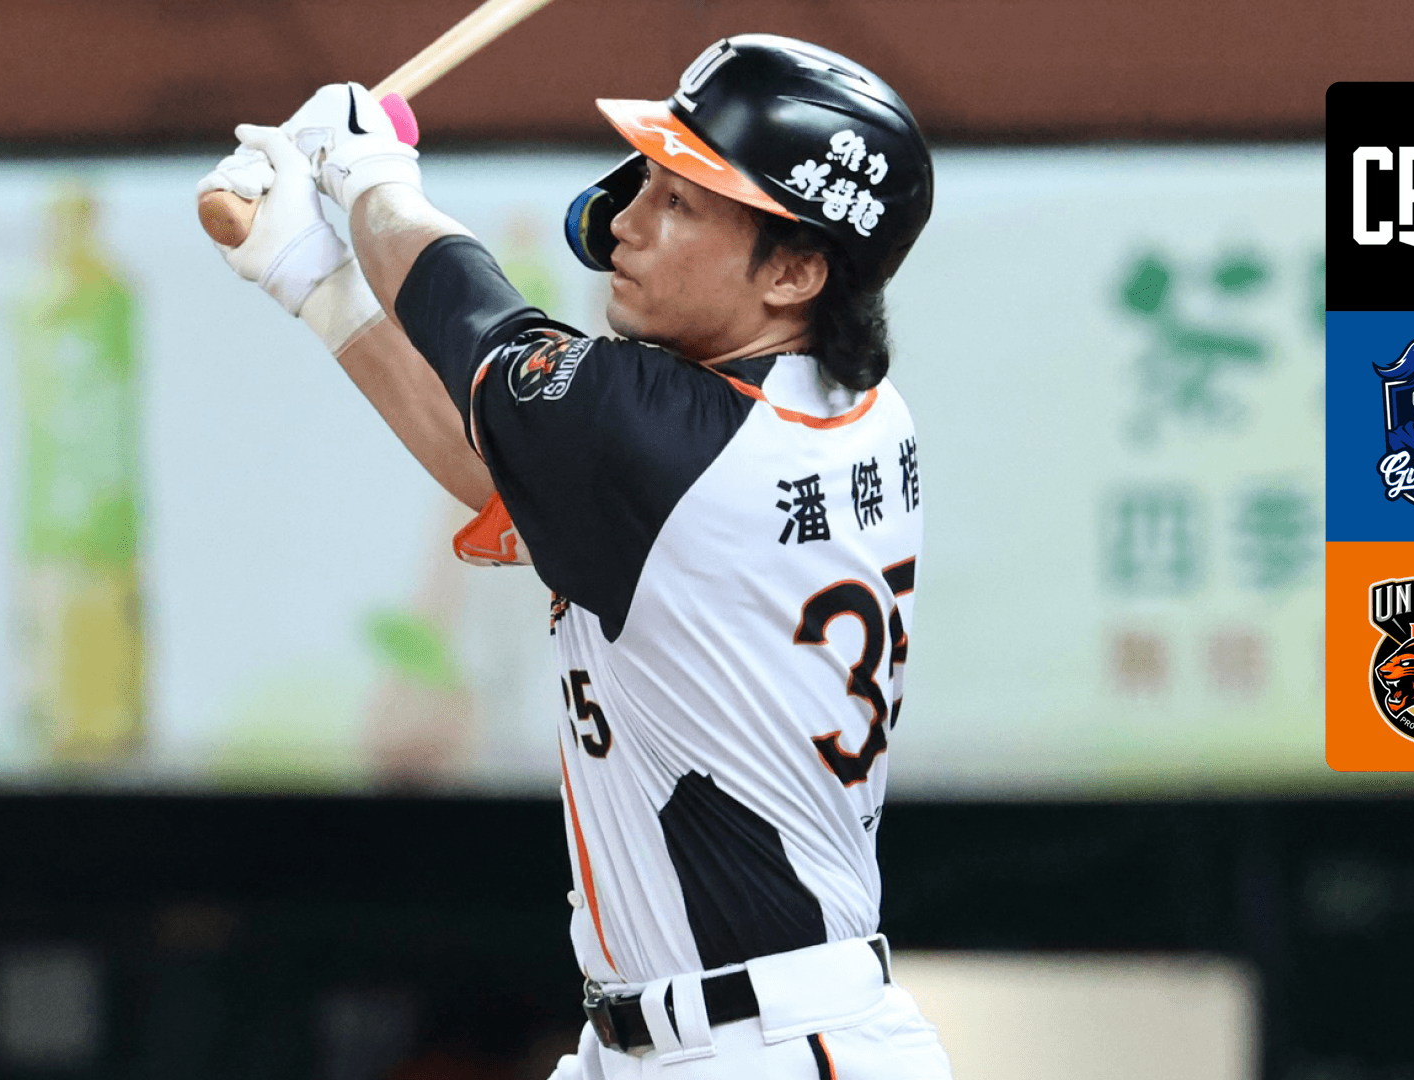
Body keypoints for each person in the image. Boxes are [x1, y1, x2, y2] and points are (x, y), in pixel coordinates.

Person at [200, 33, 951, 1079]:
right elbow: (499, 474)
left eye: (681, 202)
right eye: (646, 181)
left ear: (794, 270)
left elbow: (472, 318)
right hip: (708, 1034)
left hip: (761, 1049)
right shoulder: (846, 408)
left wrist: (365, 169)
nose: (630, 222)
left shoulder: (669, 439)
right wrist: (314, 276)